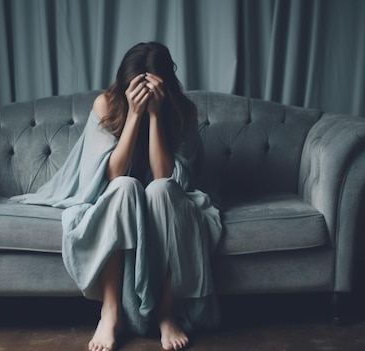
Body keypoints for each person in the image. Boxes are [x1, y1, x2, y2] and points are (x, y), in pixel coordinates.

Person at [11, 42, 222, 351]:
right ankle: (109, 314)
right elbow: (112, 175)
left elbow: (166, 176)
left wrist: (155, 116)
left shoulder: (183, 111)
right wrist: (135, 115)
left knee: (159, 189)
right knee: (125, 186)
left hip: (169, 201)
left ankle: (166, 314)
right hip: (116, 198)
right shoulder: (106, 104)